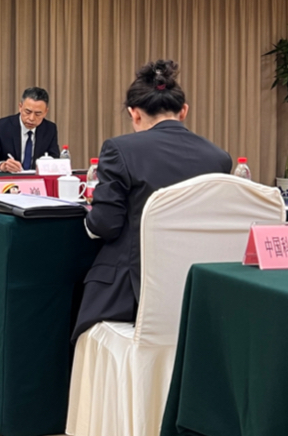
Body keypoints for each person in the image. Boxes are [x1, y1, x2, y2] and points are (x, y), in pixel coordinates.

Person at [74, 60, 232, 341]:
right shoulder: (219, 158)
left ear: (134, 114)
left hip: (130, 295)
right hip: (198, 293)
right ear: (184, 111)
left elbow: (105, 226)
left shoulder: (119, 149)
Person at [0, 87, 61, 172]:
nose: (31, 118)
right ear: (20, 107)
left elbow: (55, 159)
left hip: (36, 182)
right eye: (28, 112)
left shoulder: (50, 129)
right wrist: (3, 166)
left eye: (38, 114)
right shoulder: (1, 127)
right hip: (9, 182)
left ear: (45, 112)